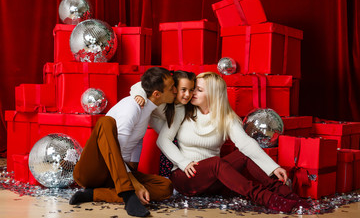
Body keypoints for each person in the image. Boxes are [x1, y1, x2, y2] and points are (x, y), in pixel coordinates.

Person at [155, 72, 310, 213]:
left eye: (198, 90)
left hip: (213, 182)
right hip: (185, 177)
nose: (191, 93)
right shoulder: (181, 110)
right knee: (216, 162)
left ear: (214, 95)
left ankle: (287, 194)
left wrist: (273, 167)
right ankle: (268, 199)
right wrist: (183, 162)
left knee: (243, 155)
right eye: (194, 88)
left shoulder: (226, 117)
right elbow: (163, 140)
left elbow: (246, 144)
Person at [69, 67, 177, 217]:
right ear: (157, 94)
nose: (175, 91)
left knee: (165, 187)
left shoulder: (147, 109)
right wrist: (133, 183)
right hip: (93, 172)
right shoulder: (131, 108)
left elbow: (137, 142)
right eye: (172, 88)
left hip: (117, 174)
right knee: (105, 123)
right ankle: (128, 195)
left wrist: (133, 171)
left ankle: (94, 194)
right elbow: (113, 152)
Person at [130, 70, 196, 176]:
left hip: (157, 120)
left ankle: (169, 175)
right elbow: (139, 85)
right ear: (174, 88)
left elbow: (165, 139)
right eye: (183, 90)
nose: (188, 95)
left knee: (172, 139)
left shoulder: (180, 109)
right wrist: (140, 95)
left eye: (191, 90)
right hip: (144, 115)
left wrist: (184, 162)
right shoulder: (164, 94)